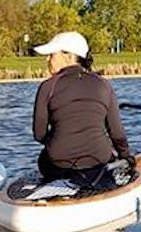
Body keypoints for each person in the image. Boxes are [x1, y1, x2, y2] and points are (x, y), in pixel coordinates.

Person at [32, 31, 131, 181]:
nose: (48, 59)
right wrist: (126, 157)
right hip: (98, 160)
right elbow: (117, 133)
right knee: (112, 154)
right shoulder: (103, 84)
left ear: (68, 56)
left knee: (43, 159)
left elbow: (39, 134)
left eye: (52, 54)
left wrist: (58, 140)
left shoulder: (47, 87)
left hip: (59, 164)